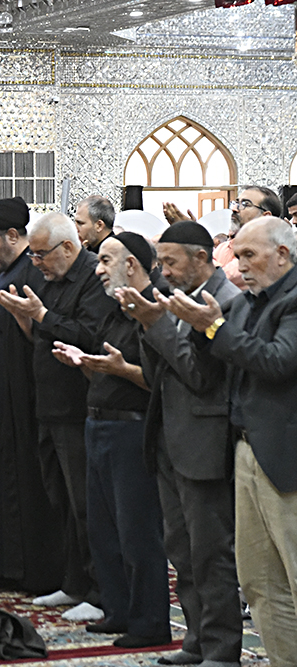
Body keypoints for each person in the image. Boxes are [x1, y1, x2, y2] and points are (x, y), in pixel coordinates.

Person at [162, 216, 297, 666]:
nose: (240, 267)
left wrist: (214, 329)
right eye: (237, 256)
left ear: (282, 254)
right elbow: (213, 369)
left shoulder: (292, 302)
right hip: (244, 450)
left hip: (284, 456)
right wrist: (200, 329)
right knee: (259, 579)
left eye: (249, 255)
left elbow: (277, 361)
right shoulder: (245, 304)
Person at [116, 220, 242, 667]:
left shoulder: (227, 302)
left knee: (210, 554)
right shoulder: (176, 298)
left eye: (170, 262)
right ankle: (196, 640)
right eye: (161, 262)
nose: (163, 271)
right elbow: (159, 374)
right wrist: (146, 324)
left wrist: (157, 324)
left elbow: (200, 376)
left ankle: (223, 649)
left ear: (201, 257)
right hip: (169, 437)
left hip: (205, 443)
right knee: (182, 552)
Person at [53, 233, 170, 649]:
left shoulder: (154, 309)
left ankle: (150, 621)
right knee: (103, 530)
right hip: (98, 424)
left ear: (132, 264)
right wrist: (84, 362)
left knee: (138, 531)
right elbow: (107, 370)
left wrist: (120, 370)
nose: (98, 269)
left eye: (105, 260)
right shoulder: (115, 309)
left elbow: (160, 380)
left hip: (132, 430)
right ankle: (118, 610)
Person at [0, 212, 110, 621]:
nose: (36, 262)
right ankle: (73, 581)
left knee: (86, 504)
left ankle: (99, 591)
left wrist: (41, 316)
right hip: (49, 404)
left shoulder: (92, 277)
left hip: (78, 406)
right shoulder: (50, 278)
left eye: (42, 254)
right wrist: (25, 318)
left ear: (68, 247)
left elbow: (90, 336)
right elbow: (42, 337)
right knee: (59, 499)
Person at [0, 196, 65, 593]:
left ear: (12, 235)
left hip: (17, 397)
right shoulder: (3, 273)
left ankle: (22, 569)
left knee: (15, 481)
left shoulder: (30, 271)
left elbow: (17, 325)